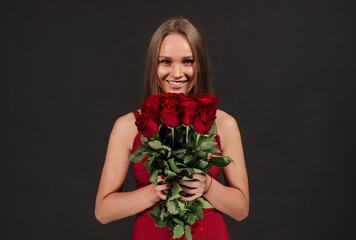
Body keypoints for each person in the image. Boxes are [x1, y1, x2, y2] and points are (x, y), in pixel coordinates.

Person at [94, 17, 249, 239]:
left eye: (187, 61)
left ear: (200, 65)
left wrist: (207, 186)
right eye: (165, 61)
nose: (177, 73)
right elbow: (103, 211)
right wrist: (154, 192)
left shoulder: (224, 124)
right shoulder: (128, 126)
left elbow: (241, 210)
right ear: (153, 65)